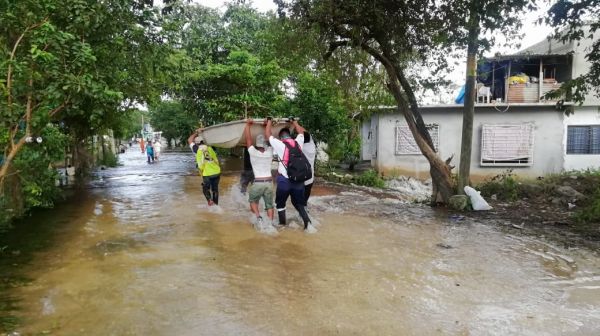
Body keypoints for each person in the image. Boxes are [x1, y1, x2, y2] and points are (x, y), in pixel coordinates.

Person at [266, 117, 316, 233]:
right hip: (298, 182)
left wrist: (268, 122)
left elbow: (268, 134)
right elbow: (301, 132)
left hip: (284, 182)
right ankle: (308, 225)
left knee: (280, 204)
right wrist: (295, 122)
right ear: (290, 135)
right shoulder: (299, 142)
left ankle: (282, 225)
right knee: (300, 204)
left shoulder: (280, 144)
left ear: (281, 137)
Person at [244, 119, 276, 231]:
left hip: (257, 182)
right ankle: (270, 225)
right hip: (269, 182)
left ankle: (258, 217)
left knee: (252, 201)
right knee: (269, 205)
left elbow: (248, 139)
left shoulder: (253, 152)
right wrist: (268, 125)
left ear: (256, 145)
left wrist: (248, 125)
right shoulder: (270, 152)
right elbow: (269, 137)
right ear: (265, 145)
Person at [187, 131, 221, 206]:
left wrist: (196, 132)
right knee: (215, 190)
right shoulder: (210, 148)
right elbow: (216, 160)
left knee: (205, 188)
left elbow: (189, 140)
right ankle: (216, 206)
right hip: (217, 172)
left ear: (196, 143)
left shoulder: (196, 149)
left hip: (207, 174)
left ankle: (209, 200)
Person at [298, 132, 316, 208]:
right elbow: (308, 134)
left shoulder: (301, 148)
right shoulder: (313, 145)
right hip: (310, 177)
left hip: (302, 178)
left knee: (299, 197)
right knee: (307, 194)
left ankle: (301, 211)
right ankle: (305, 207)